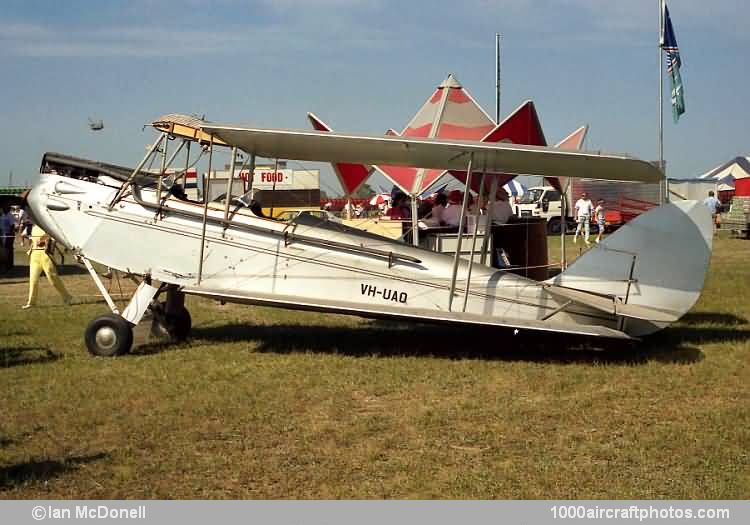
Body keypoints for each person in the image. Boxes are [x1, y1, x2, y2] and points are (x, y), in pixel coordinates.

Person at [22, 224, 72, 309]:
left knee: (52, 278)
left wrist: (43, 240)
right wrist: (28, 240)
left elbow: (53, 235)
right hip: (34, 255)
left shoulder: (46, 225)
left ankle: (67, 296)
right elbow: (23, 234)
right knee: (33, 280)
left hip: (46, 255)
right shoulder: (30, 227)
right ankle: (31, 302)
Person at [1, 204, 15, 271]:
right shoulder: (2, 215)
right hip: (2, 234)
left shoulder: (10, 216)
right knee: (4, 249)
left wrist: (11, 235)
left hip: (8, 234)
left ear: (8, 208)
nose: (3, 209)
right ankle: (5, 263)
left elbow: (12, 226)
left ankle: (9, 265)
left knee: (9, 249)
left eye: (5, 207)